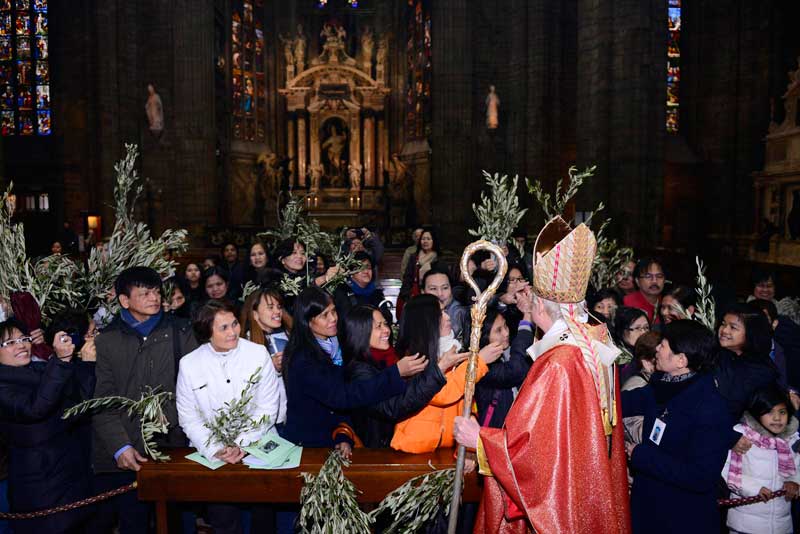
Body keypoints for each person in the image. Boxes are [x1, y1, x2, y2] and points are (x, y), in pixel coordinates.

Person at [453, 217, 630, 533]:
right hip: (585, 485)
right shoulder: (594, 341)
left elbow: (535, 455)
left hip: (559, 501)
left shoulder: (558, 363)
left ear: (539, 308)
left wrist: (479, 439)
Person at [91, 267, 198, 534]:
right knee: (133, 523)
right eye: (145, 293)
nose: (154, 298)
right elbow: (103, 402)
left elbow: (196, 390)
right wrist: (120, 447)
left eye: (156, 292)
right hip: (127, 450)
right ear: (124, 300)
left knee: (178, 522)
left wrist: (168, 419)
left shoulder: (181, 331)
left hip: (172, 444)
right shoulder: (107, 340)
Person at [177, 300, 282, 534]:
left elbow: (267, 408)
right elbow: (189, 417)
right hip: (215, 456)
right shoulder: (190, 364)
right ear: (207, 332)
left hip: (257, 446)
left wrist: (241, 443)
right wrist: (215, 448)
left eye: (234, 324)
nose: (233, 332)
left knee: (263, 520)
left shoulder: (257, 354)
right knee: (224, 521)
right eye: (223, 328)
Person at [281, 287, 427, 453]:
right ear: (307, 321)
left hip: (332, 441)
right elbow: (342, 396)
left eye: (333, 311)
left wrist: (343, 435)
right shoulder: (303, 358)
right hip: (307, 447)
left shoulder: (335, 346)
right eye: (324, 315)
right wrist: (396, 373)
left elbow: (340, 406)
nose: (333, 318)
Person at [622, 320, 733, 534]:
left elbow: (700, 476)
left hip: (682, 517)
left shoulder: (710, 407)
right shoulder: (662, 386)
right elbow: (621, 403)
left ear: (681, 360)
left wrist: (642, 455)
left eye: (663, 345)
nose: (657, 348)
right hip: (649, 509)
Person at [0, 317, 96, 534]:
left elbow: (78, 405)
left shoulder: (41, 369)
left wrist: (87, 365)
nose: (21, 345)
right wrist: (61, 362)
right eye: (10, 343)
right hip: (39, 482)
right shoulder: (4, 385)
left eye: (24, 339)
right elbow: (35, 408)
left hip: (70, 474)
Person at [392, 294, 503, 454]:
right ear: (426, 322)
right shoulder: (411, 360)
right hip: (413, 449)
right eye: (440, 314)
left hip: (446, 447)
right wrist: (478, 363)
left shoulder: (452, 348)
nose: (447, 317)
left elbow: (465, 401)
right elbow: (442, 394)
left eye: (445, 311)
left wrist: (466, 449)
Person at [344, 305, 450, 448]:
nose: (386, 330)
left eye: (385, 324)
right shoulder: (360, 371)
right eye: (378, 326)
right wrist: (438, 371)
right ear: (361, 332)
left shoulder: (388, 358)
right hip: (378, 452)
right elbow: (393, 407)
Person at [722, 384, 800, 534]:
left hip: (781, 524)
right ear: (757, 412)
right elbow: (725, 469)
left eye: (782, 412)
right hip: (745, 525)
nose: (777, 418)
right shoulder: (740, 436)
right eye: (769, 412)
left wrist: (795, 481)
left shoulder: (791, 439)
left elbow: (798, 465)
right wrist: (754, 489)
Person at [715, 303, 781, 441]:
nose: (724, 330)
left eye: (733, 327)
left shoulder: (762, 372)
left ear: (751, 333)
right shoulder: (719, 353)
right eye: (723, 324)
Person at [474, 303, 533, 429]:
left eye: (505, 325)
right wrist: (526, 323)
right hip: (497, 433)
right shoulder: (481, 368)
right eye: (498, 330)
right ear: (484, 336)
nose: (506, 333)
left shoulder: (506, 352)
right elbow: (515, 370)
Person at [622, 331, 661, 446]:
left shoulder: (655, 383)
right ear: (647, 363)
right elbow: (641, 436)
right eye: (659, 358)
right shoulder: (635, 388)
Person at [333, 252, 388, 322]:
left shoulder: (376, 292)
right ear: (350, 272)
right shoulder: (342, 292)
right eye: (360, 268)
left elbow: (387, 317)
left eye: (368, 267)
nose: (366, 271)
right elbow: (344, 321)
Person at [422, 267, 471, 346]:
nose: (440, 294)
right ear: (423, 291)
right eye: (433, 288)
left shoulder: (461, 313)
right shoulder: (416, 314)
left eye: (445, 288)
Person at [398, 229, 438, 317]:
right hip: (413, 296)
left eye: (428, 239)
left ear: (433, 241)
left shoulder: (437, 259)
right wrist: (407, 296)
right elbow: (407, 278)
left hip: (431, 298)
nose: (425, 241)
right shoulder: (414, 257)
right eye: (423, 239)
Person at [623, 258, 666, 323]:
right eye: (648, 276)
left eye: (659, 276)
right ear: (637, 281)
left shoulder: (668, 302)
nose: (654, 281)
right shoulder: (626, 302)